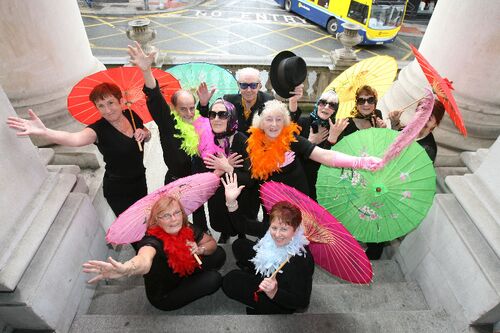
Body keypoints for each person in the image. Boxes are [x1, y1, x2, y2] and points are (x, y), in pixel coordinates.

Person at [6, 82, 150, 216]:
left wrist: (145, 133)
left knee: (147, 217)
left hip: (140, 180)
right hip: (119, 190)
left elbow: (147, 134)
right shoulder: (97, 130)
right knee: (134, 230)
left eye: (110, 103)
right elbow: (74, 139)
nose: (107, 110)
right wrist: (45, 132)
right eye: (101, 106)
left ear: (121, 101)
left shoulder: (132, 116)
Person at [83, 196, 226, 311]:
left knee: (219, 254)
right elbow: (144, 260)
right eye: (166, 215)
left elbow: (211, 243)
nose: (174, 219)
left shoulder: (185, 226)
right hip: (166, 294)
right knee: (214, 279)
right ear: (156, 219)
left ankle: (195, 278)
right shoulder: (152, 241)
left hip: (184, 273)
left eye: (177, 212)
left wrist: (200, 249)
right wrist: (128, 268)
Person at [128, 41, 208, 232]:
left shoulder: (199, 121)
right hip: (175, 182)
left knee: (199, 215)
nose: (188, 113)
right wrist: (147, 71)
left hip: (197, 181)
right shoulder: (168, 122)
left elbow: (209, 127)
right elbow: (155, 97)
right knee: (177, 221)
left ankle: (203, 235)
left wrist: (203, 105)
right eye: (183, 109)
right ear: (174, 109)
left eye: (191, 108)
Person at [247, 99, 381, 199]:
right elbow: (248, 178)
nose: (274, 124)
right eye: (269, 119)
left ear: (285, 122)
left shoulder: (293, 141)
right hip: (272, 204)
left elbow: (324, 156)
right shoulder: (252, 146)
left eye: (279, 119)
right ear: (261, 123)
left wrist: (361, 162)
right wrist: (272, 167)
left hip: (299, 202)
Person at [221, 173, 314, 314]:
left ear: (295, 230)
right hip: (270, 273)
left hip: (279, 298)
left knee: (230, 280)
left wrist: (275, 292)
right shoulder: (270, 229)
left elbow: (302, 302)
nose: (277, 234)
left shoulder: (301, 259)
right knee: (239, 245)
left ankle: (266, 306)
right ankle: (256, 274)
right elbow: (242, 225)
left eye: (284, 229)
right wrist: (231, 202)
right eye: (274, 227)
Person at [194, 98, 259, 243]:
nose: (216, 119)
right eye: (213, 114)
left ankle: (241, 235)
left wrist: (228, 168)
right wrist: (218, 170)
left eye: (222, 114)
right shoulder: (205, 141)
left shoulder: (243, 141)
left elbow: (250, 180)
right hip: (217, 197)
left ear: (231, 117)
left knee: (240, 226)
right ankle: (225, 233)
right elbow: (199, 176)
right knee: (222, 221)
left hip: (241, 197)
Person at [197, 67, 303, 134]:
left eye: (253, 85)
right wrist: (203, 104)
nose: (248, 90)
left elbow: (287, 124)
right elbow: (209, 123)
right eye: (244, 85)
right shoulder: (228, 102)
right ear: (238, 85)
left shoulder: (269, 102)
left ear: (259, 86)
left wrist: (293, 102)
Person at [299, 89, 349, 200]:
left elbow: (332, 163)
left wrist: (332, 139)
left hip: (322, 184)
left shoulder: (337, 129)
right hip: (301, 180)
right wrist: (310, 142)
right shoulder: (302, 122)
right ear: (317, 104)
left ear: (335, 111)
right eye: (323, 103)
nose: (326, 107)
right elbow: (293, 156)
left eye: (332, 105)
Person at [388, 99, 445, 163]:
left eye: (428, 118)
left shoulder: (428, 149)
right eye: (420, 113)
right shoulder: (407, 130)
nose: (421, 119)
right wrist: (394, 122)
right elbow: (393, 141)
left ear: (435, 124)